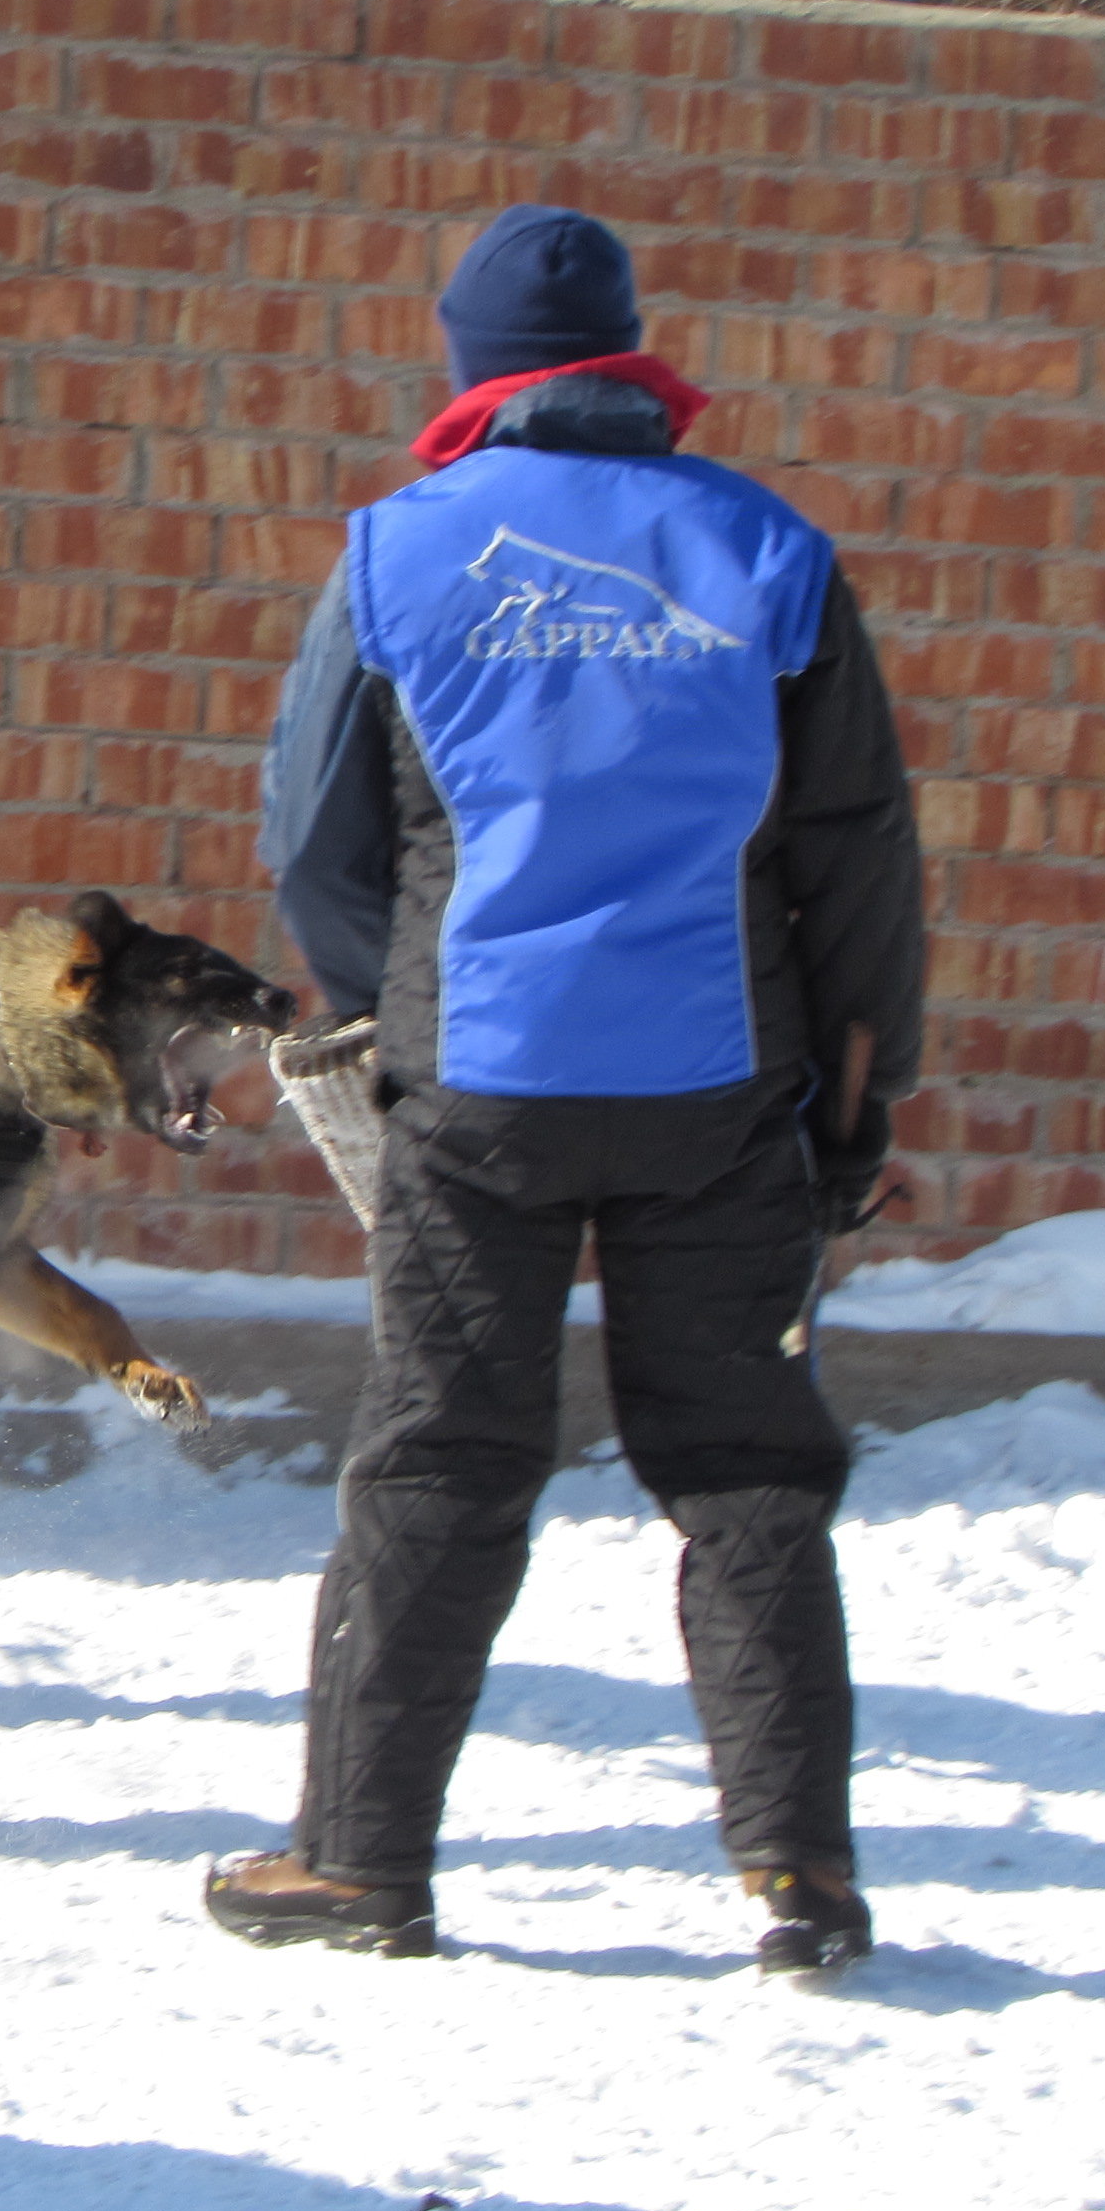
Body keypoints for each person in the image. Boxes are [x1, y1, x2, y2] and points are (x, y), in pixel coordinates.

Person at [213, 205, 926, 1974]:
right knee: (750, 1475)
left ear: (471, 369)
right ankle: (795, 1875)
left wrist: (402, 1014)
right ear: (627, 355)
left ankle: (363, 1863)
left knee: (441, 1466)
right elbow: (858, 869)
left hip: (481, 1085)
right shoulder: (769, 552)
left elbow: (316, 849)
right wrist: (854, 1109)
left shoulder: (396, 555)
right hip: (723, 1083)